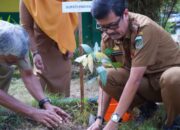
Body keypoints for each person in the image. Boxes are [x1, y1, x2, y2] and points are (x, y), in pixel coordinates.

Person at [88, 0, 180, 130]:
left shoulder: (144, 29)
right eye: (103, 27)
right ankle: (147, 110)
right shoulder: (108, 38)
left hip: (172, 85)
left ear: (125, 13)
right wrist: (99, 119)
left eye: (113, 25)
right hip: (149, 85)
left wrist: (114, 121)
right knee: (107, 76)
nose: (109, 31)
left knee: (174, 77)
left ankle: (174, 122)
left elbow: (134, 79)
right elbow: (104, 79)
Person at [0, 20, 71, 128]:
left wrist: (46, 104)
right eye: (11, 61)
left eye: (17, 60)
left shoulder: (17, 43)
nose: (15, 64)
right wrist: (32, 112)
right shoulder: (6, 44)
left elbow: (28, 75)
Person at [20, 0, 78, 96]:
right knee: (42, 96)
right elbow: (26, 27)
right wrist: (34, 53)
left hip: (62, 52)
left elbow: (74, 18)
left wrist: (71, 44)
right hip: (41, 52)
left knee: (62, 96)